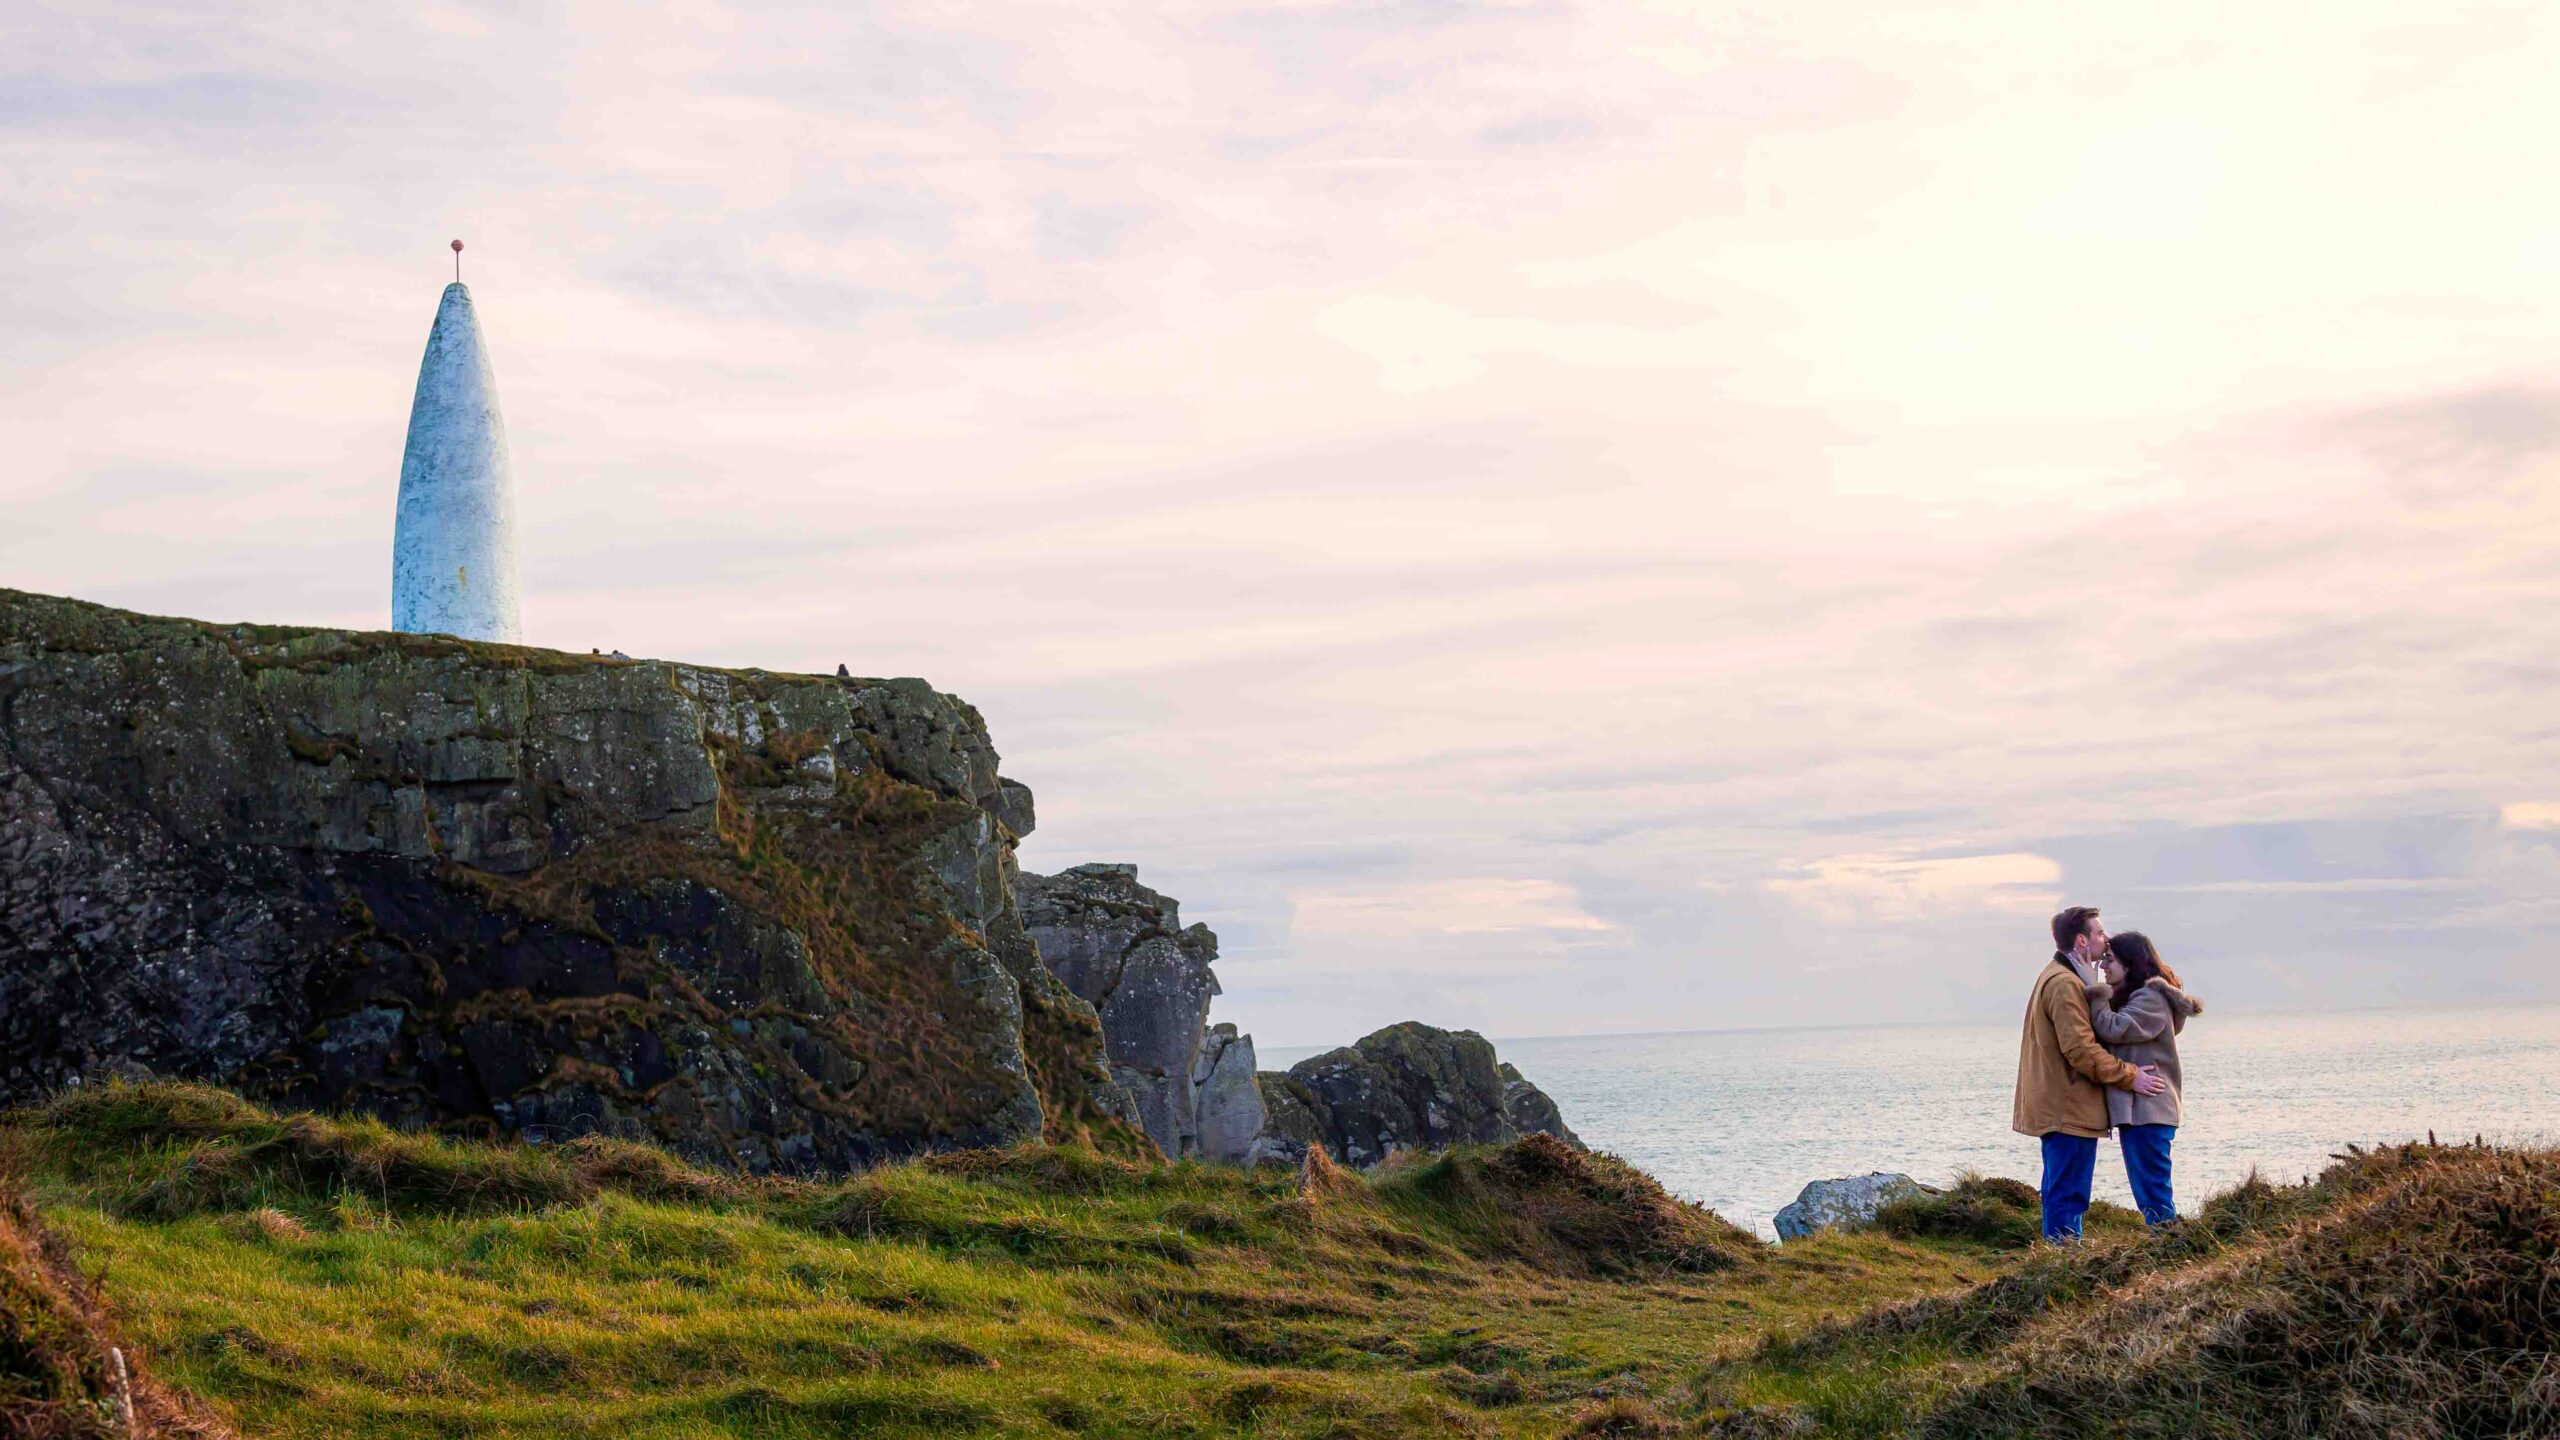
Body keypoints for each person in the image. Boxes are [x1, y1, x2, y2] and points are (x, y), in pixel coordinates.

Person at [2013, 906, 2165, 1241]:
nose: (2105, 938)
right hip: (2068, 1106)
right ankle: (2063, 1259)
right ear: (2081, 941)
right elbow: (2081, 1050)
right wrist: (2131, 1075)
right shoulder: (2065, 985)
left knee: (2061, 1186)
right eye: (2099, 933)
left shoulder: (2059, 976)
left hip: (2061, 1103)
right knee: (2069, 1191)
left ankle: (2059, 1256)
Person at [2085, 931, 2201, 1226]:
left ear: (2131, 963)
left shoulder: (2150, 999)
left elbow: (2114, 1028)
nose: (2103, 966)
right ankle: (2168, 1245)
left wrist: (2095, 992)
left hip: (2150, 1109)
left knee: (2153, 1191)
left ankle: (2171, 1249)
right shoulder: (2139, 997)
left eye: (2110, 959)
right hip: (2142, 1110)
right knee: (2149, 1190)